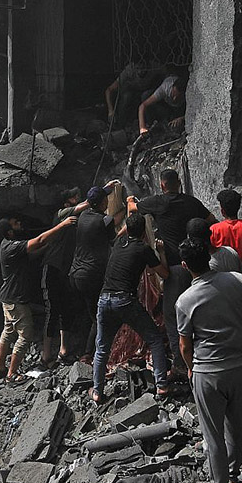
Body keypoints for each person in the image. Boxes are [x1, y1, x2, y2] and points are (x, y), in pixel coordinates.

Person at [175, 238, 242, 483]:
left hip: (209, 371)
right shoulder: (237, 280)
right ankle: (233, 478)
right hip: (240, 365)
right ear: (209, 256)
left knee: (212, 435)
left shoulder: (185, 301)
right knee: (235, 425)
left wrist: (192, 367)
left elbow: (184, 344)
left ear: (184, 266)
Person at [127, 169, 215, 373]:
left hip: (175, 268)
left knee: (173, 315)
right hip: (199, 267)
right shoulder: (192, 202)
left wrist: (131, 199)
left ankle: (180, 364)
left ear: (162, 185)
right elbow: (210, 220)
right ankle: (203, 356)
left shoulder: (158, 202)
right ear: (179, 183)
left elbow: (133, 208)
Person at [90, 213, 171, 403]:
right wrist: (162, 251)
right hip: (125, 301)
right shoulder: (144, 249)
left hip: (104, 299)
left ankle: (97, 391)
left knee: (102, 348)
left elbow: (125, 231)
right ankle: (162, 386)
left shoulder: (119, 243)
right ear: (144, 232)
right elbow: (165, 275)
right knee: (155, 339)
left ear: (127, 229)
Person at [0, 214, 77, 382]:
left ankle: (0, 367)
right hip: (17, 300)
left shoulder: (6, 246)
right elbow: (38, 240)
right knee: (25, 335)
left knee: (8, 332)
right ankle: (12, 373)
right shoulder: (13, 247)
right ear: (10, 233)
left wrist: (49, 247)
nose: (20, 224)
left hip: (8, 297)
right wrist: (61, 226)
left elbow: (33, 253)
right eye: (16, 223)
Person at [68, 182, 126, 357]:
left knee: (89, 312)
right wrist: (124, 216)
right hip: (91, 275)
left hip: (75, 273)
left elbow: (93, 200)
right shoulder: (104, 220)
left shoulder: (83, 215)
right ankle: (89, 354)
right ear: (102, 203)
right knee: (99, 317)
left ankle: (81, 349)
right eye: (106, 199)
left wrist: (106, 189)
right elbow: (113, 233)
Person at [40, 187, 88, 367]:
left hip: (65, 270)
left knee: (66, 309)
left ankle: (63, 349)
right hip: (52, 267)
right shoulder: (62, 214)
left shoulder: (75, 220)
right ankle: (46, 354)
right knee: (52, 310)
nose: (78, 199)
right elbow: (83, 206)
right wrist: (104, 191)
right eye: (75, 197)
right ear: (67, 201)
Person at [104, 63, 165, 128]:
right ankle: (120, 125)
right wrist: (111, 111)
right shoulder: (129, 70)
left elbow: (167, 73)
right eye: (138, 68)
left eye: (143, 68)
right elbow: (109, 90)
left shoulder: (154, 67)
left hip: (147, 92)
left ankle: (150, 124)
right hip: (132, 93)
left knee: (145, 95)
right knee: (126, 97)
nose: (140, 71)